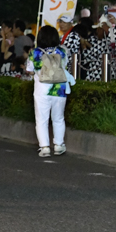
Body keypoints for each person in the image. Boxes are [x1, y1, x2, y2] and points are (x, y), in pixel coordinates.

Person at [26, 25, 70, 157]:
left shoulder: (35, 53)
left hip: (42, 90)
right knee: (58, 118)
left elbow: (29, 70)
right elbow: (65, 65)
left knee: (42, 120)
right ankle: (59, 145)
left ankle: (44, 147)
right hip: (59, 90)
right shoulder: (62, 51)